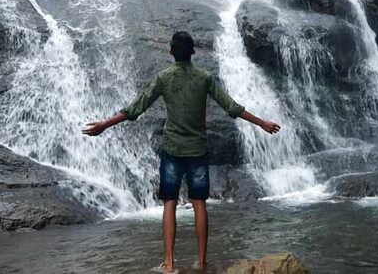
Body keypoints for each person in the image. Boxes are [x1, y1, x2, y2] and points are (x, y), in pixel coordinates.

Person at [83, 31, 281, 273]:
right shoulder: (204, 77)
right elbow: (231, 107)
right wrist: (262, 123)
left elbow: (137, 107)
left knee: (169, 204)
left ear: (170, 52)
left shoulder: (164, 78)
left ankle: (169, 263)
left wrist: (104, 124)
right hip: (198, 150)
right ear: (193, 52)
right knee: (199, 204)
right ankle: (203, 261)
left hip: (172, 150)